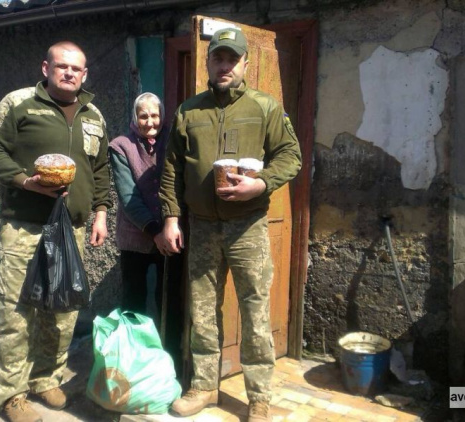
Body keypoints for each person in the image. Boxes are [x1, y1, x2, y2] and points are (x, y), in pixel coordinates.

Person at [159, 28, 302, 422]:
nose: (224, 66)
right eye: (218, 58)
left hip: (247, 227)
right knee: (202, 312)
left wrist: (261, 183)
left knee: (255, 311)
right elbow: (170, 169)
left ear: (245, 64)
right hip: (202, 226)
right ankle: (204, 386)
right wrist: (171, 217)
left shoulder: (265, 107)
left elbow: (291, 156)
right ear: (208, 62)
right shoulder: (189, 111)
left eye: (232, 59)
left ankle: (259, 397)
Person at [0, 41, 111, 422]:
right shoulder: (19, 103)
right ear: (46, 68)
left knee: (63, 310)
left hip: (72, 229)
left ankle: (46, 377)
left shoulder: (93, 115)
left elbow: (99, 170)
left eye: (76, 68)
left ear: (85, 75)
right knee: (16, 312)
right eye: (62, 66)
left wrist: (101, 212)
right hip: (25, 227)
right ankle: (11, 394)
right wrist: (24, 181)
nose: (69, 73)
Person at [108, 92, 182, 369]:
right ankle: (132, 361)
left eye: (155, 115)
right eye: (143, 115)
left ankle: (170, 360)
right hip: (135, 236)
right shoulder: (120, 146)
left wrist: (168, 228)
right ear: (134, 118)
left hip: (171, 234)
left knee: (169, 301)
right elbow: (129, 196)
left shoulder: (174, 142)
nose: (150, 121)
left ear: (162, 117)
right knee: (133, 301)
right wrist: (155, 231)